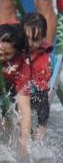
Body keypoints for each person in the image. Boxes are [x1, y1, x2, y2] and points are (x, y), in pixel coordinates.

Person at [0, 23, 32, 156]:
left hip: (8, 90)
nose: (1, 56)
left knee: (10, 111)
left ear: (16, 52)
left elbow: (24, 106)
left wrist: (24, 144)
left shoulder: (22, 65)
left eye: (7, 54)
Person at [21, 12, 51, 141]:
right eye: (27, 38)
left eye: (35, 39)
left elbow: (41, 86)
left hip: (33, 91)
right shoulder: (13, 48)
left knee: (42, 98)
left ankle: (41, 129)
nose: (30, 43)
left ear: (43, 37)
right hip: (16, 88)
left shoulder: (42, 59)